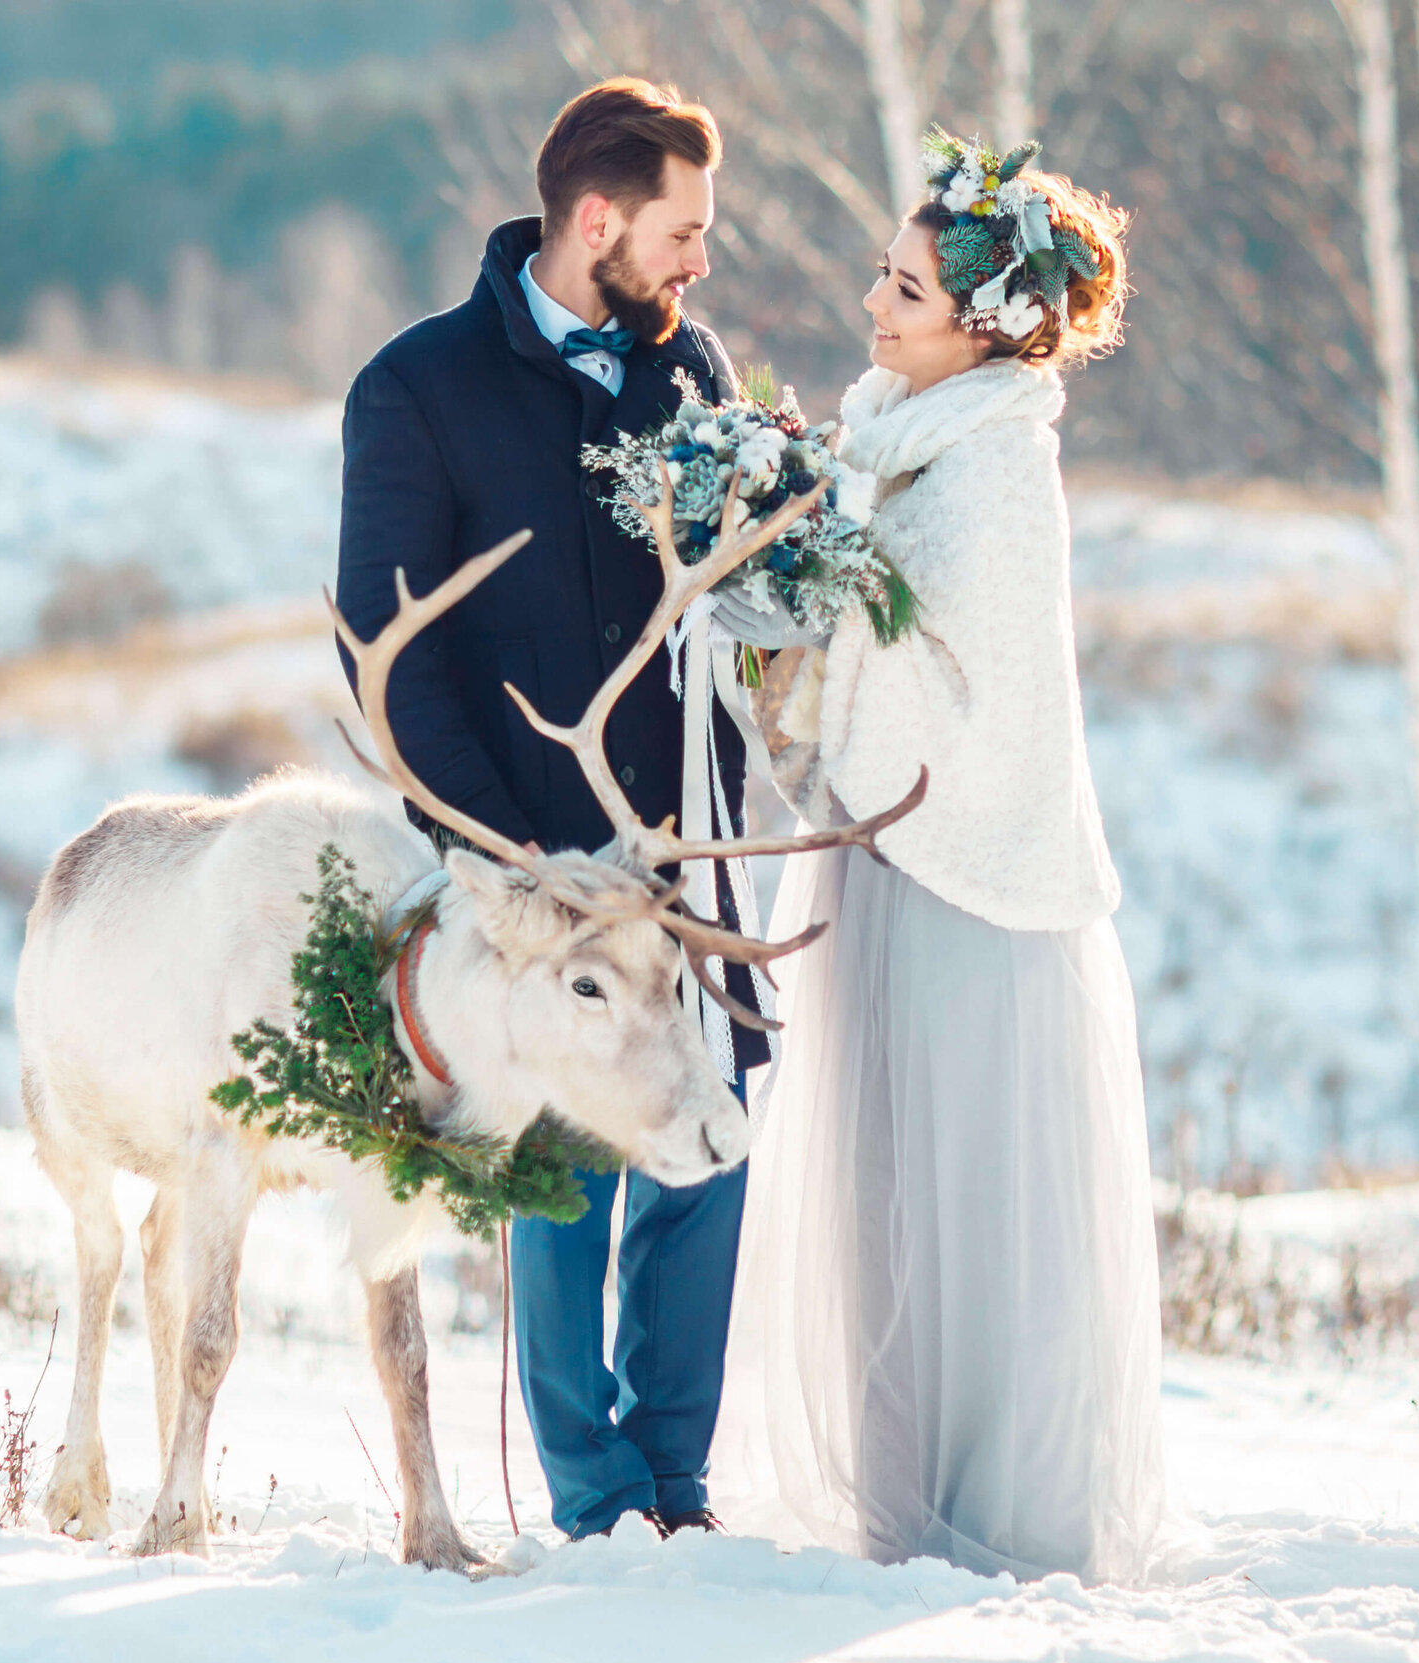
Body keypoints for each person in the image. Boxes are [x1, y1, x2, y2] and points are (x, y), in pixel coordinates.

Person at [712, 133, 1169, 1582]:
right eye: (883, 275)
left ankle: (1006, 1514)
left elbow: (974, 689)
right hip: (882, 854)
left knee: (974, 1206)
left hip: (969, 871)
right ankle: (900, 1496)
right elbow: (878, 623)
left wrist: (821, 612)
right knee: (883, 1198)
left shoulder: (992, 472)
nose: (874, 304)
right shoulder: (897, 436)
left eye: (905, 288)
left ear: (990, 327)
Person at [333, 77, 767, 1541]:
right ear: (601, 220)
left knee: (706, 1144)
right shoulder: (418, 386)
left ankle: (677, 1480)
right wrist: (495, 856)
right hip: (532, 867)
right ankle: (595, 1500)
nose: (701, 259)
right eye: (684, 229)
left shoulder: (691, 367)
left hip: (686, 843)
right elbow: (389, 647)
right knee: (560, 1161)